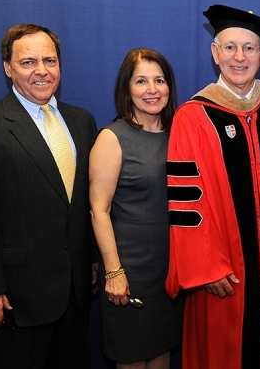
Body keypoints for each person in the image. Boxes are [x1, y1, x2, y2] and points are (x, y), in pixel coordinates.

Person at [0, 23, 97, 368]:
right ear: (7, 68)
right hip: (15, 301)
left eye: (50, 60)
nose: (41, 71)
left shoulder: (81, 121)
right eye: (28, 62)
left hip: (75, 297)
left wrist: (90, 259)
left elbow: (81, 204)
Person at [165, 4, 260, 369]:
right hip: (224, 272)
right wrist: (206, 267)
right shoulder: (192, 116)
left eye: (249, 48)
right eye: (229, 47)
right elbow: (185, 201)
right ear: (215, 53)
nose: (239, 57)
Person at [89, 48, 183, 369]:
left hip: (169, 273)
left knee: (161, 355)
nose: (152, 89)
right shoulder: (112, 138)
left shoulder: (179, 134)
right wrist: (114, 272)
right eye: (141, 81)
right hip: (129, 272)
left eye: (159, 80)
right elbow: (98, 210)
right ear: (126, 88)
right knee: (130, 359)